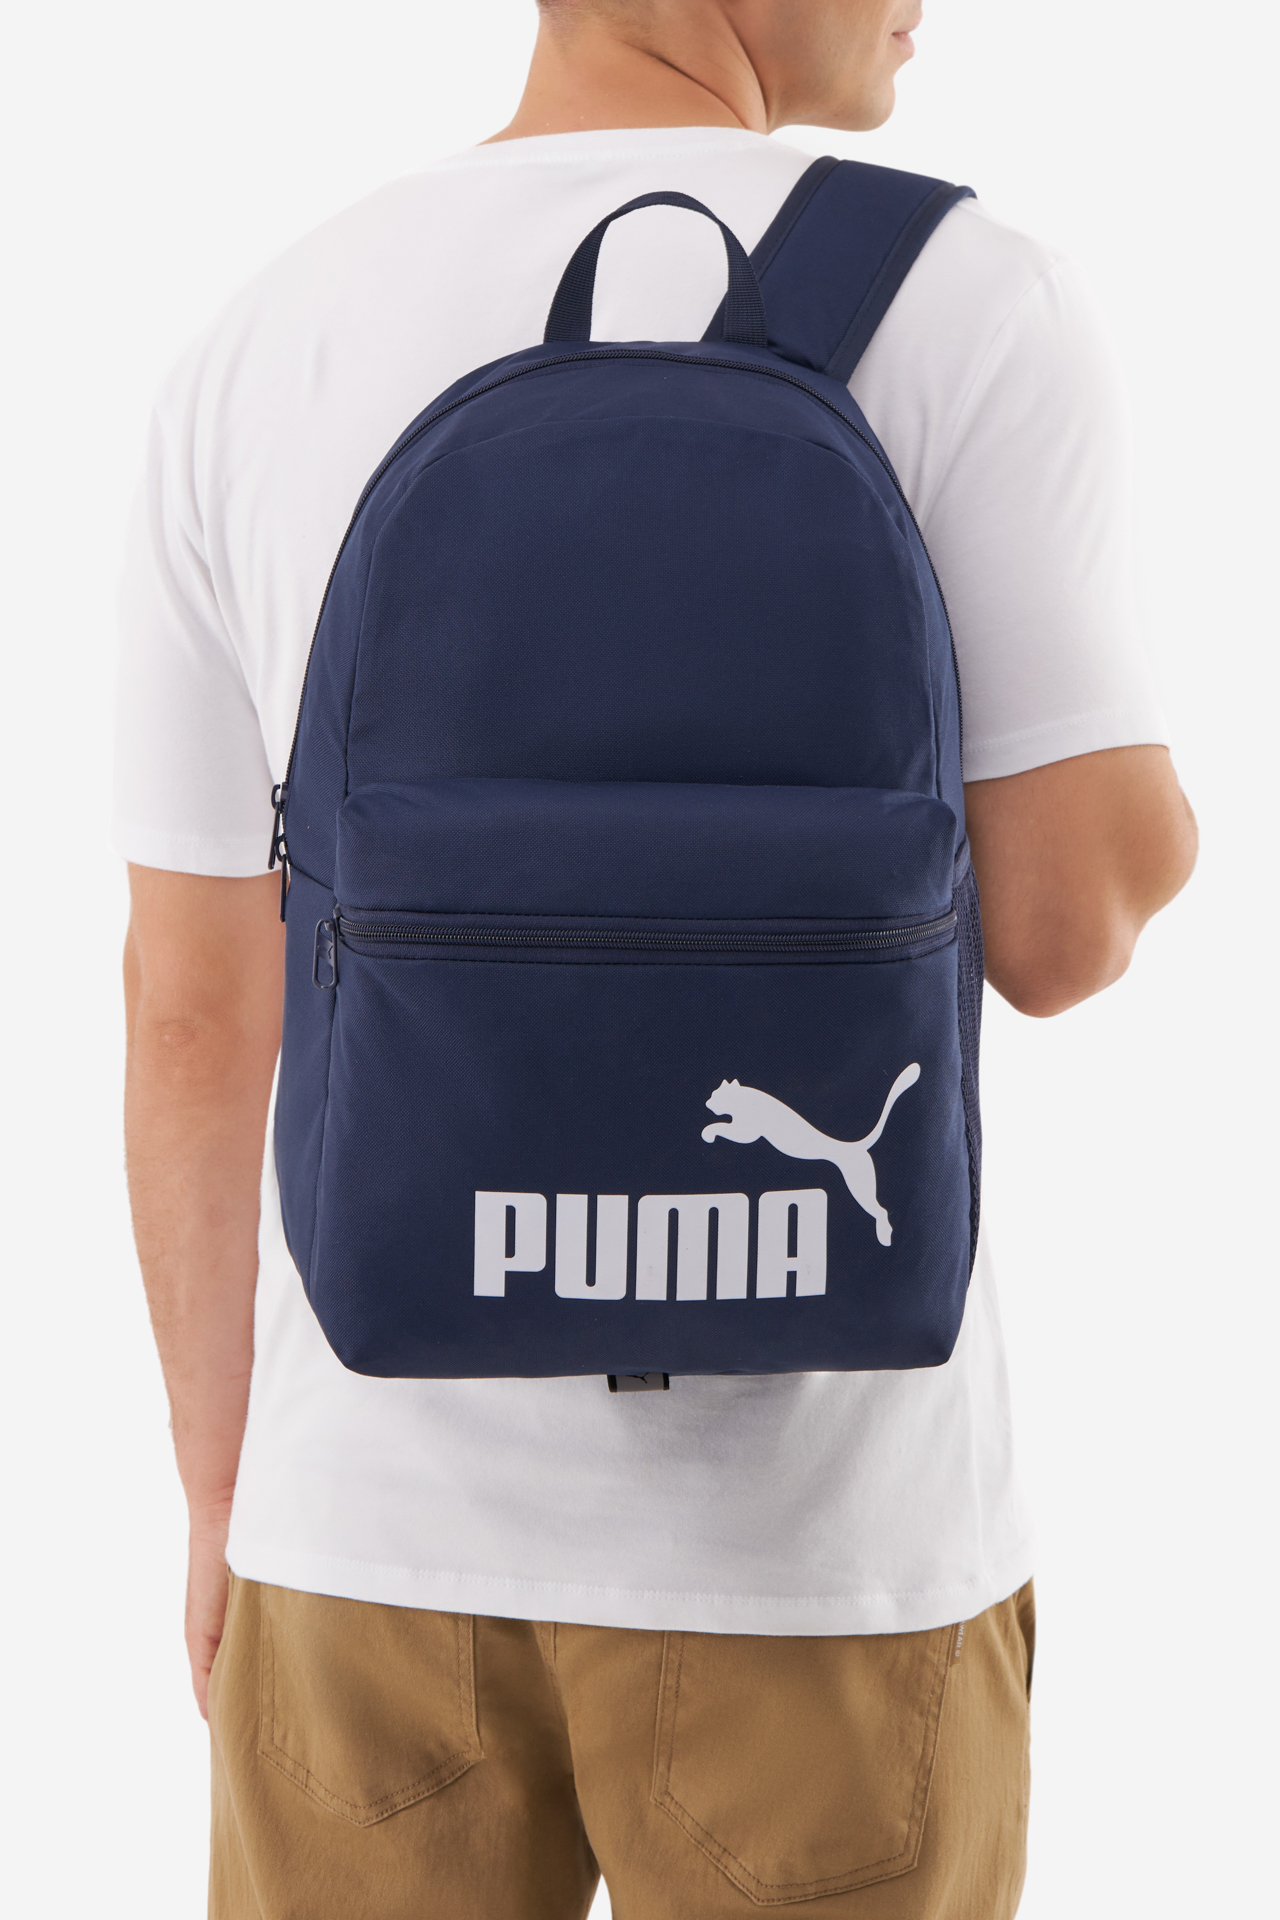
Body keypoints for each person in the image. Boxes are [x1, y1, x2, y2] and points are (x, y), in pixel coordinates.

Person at [115, 2, 1198, 1914]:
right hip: (821, 1570)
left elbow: (194, 1010)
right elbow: (1069, 931)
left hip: (361, 1547)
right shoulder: (967, 299)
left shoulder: (268, 336)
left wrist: (225, 1496)